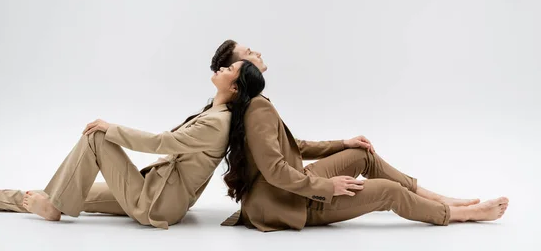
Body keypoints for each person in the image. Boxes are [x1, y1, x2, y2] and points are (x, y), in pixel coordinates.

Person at [211, 39, 509, 232]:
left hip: (289, 186)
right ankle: (460, 214)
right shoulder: (256, 108)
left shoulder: (254, 103)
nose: (258, 52)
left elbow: (294, 146)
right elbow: (275, 171)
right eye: (249, 54)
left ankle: (433, 197)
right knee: (387, 192)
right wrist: (327, 187)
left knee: (361, 154)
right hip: (287, 202)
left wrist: (344, 143)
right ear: (240, 70)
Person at [0, 59, 265, 229]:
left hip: (155, 202)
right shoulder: (217, 112)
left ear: (235, 87)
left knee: (96, 136)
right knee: (67, 190)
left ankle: (53, 209)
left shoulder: (217, 122)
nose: (223, 68)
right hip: (153, 193)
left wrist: (112, 128)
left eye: (230, 69)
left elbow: (164, 142)